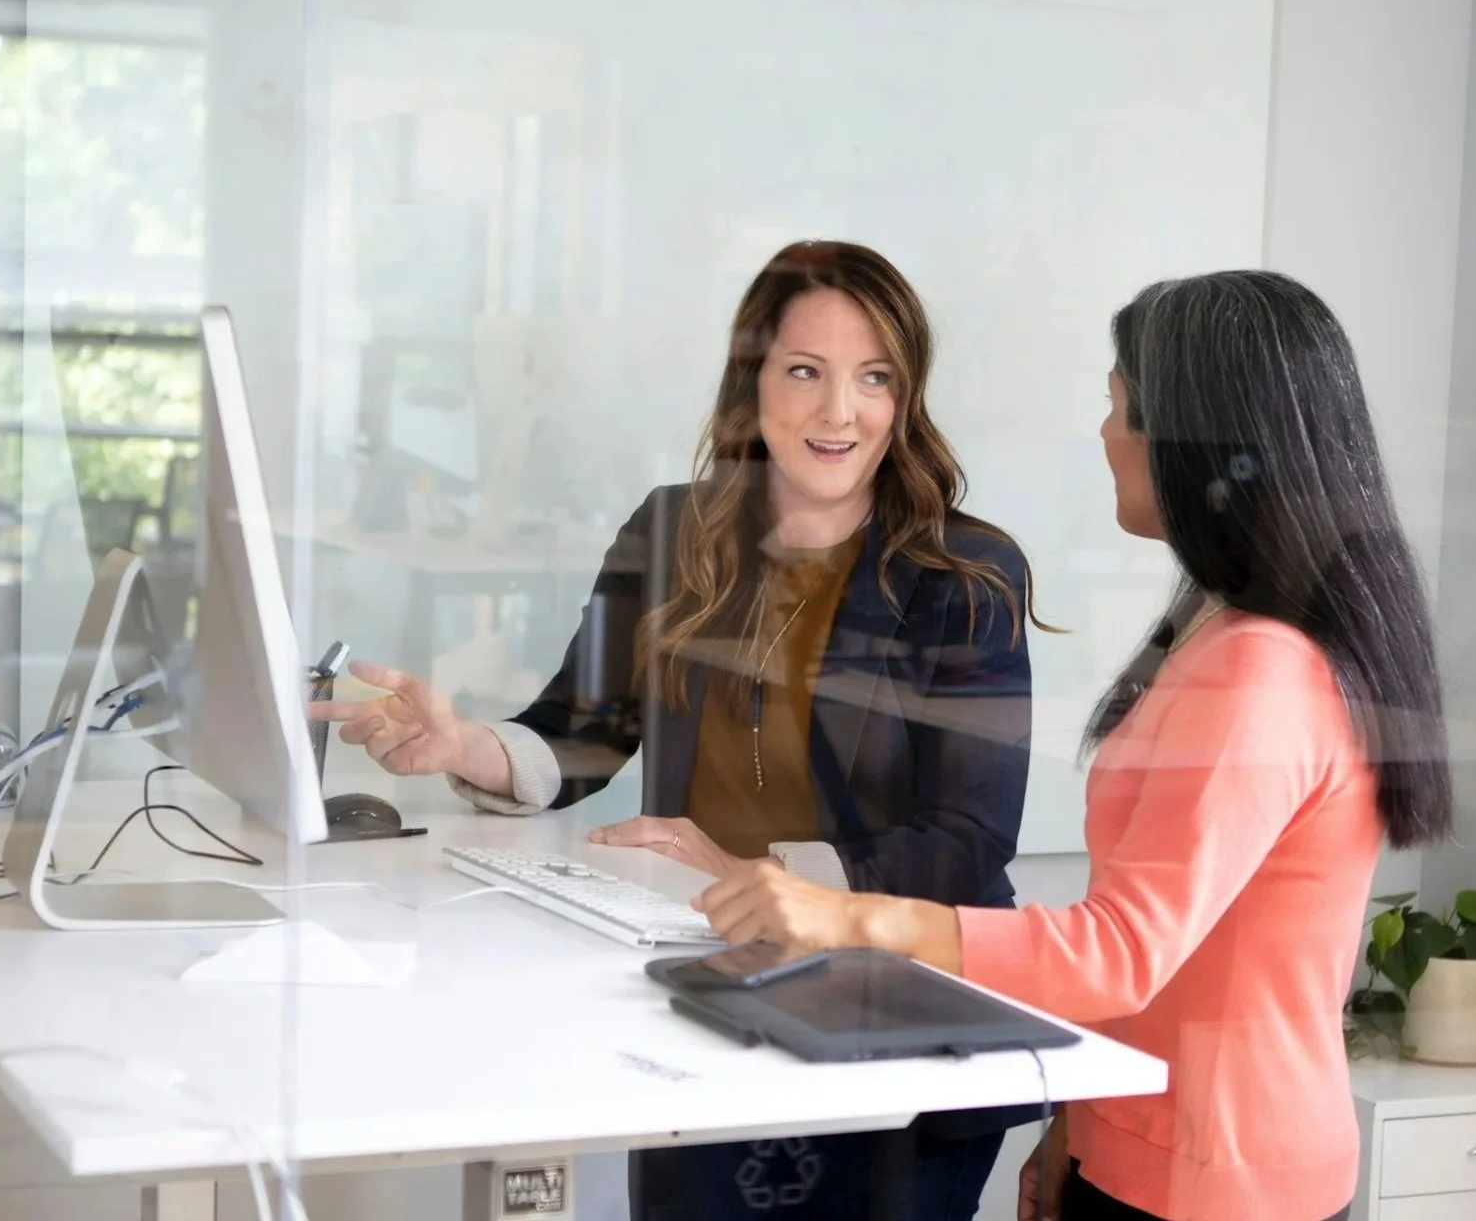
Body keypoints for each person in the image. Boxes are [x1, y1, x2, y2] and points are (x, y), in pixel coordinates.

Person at [690, 270, 1453, 1221]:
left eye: (1121, 408)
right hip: (1142, 1151)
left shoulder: (1263, 669)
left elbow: (1118, 949)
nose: (1105, 435)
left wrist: (845, 916)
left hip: (1219, 1185)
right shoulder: (1217, 633)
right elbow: (1166, 952)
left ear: (1201, 442)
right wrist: (1075, 1129)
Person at [313, 239, 1043, 1219]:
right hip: (718, 990)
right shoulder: (673, 530)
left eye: (875, 378)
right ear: (754, 385)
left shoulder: (965, 574)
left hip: (897, 1019)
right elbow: (579, 732)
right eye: (804, 372)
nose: (840, 410)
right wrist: (462, 744)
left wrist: (765, 872)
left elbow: (967, 844)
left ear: (906, 398)